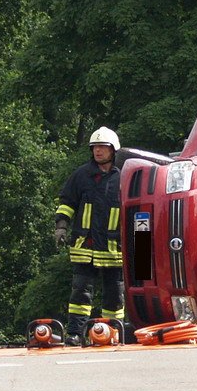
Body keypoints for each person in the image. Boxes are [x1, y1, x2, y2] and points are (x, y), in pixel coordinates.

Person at [55, 127, 123, 346]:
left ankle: (112, 332)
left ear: (113, 150)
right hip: (85, 245)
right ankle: (75, 333)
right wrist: (61, 227)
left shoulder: (123, 177)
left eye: (103, 147)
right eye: (95, 147)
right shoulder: (81, 175)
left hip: (113, 247)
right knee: (80, 293)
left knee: (114, 293)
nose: (98, 151)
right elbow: (67, 203)